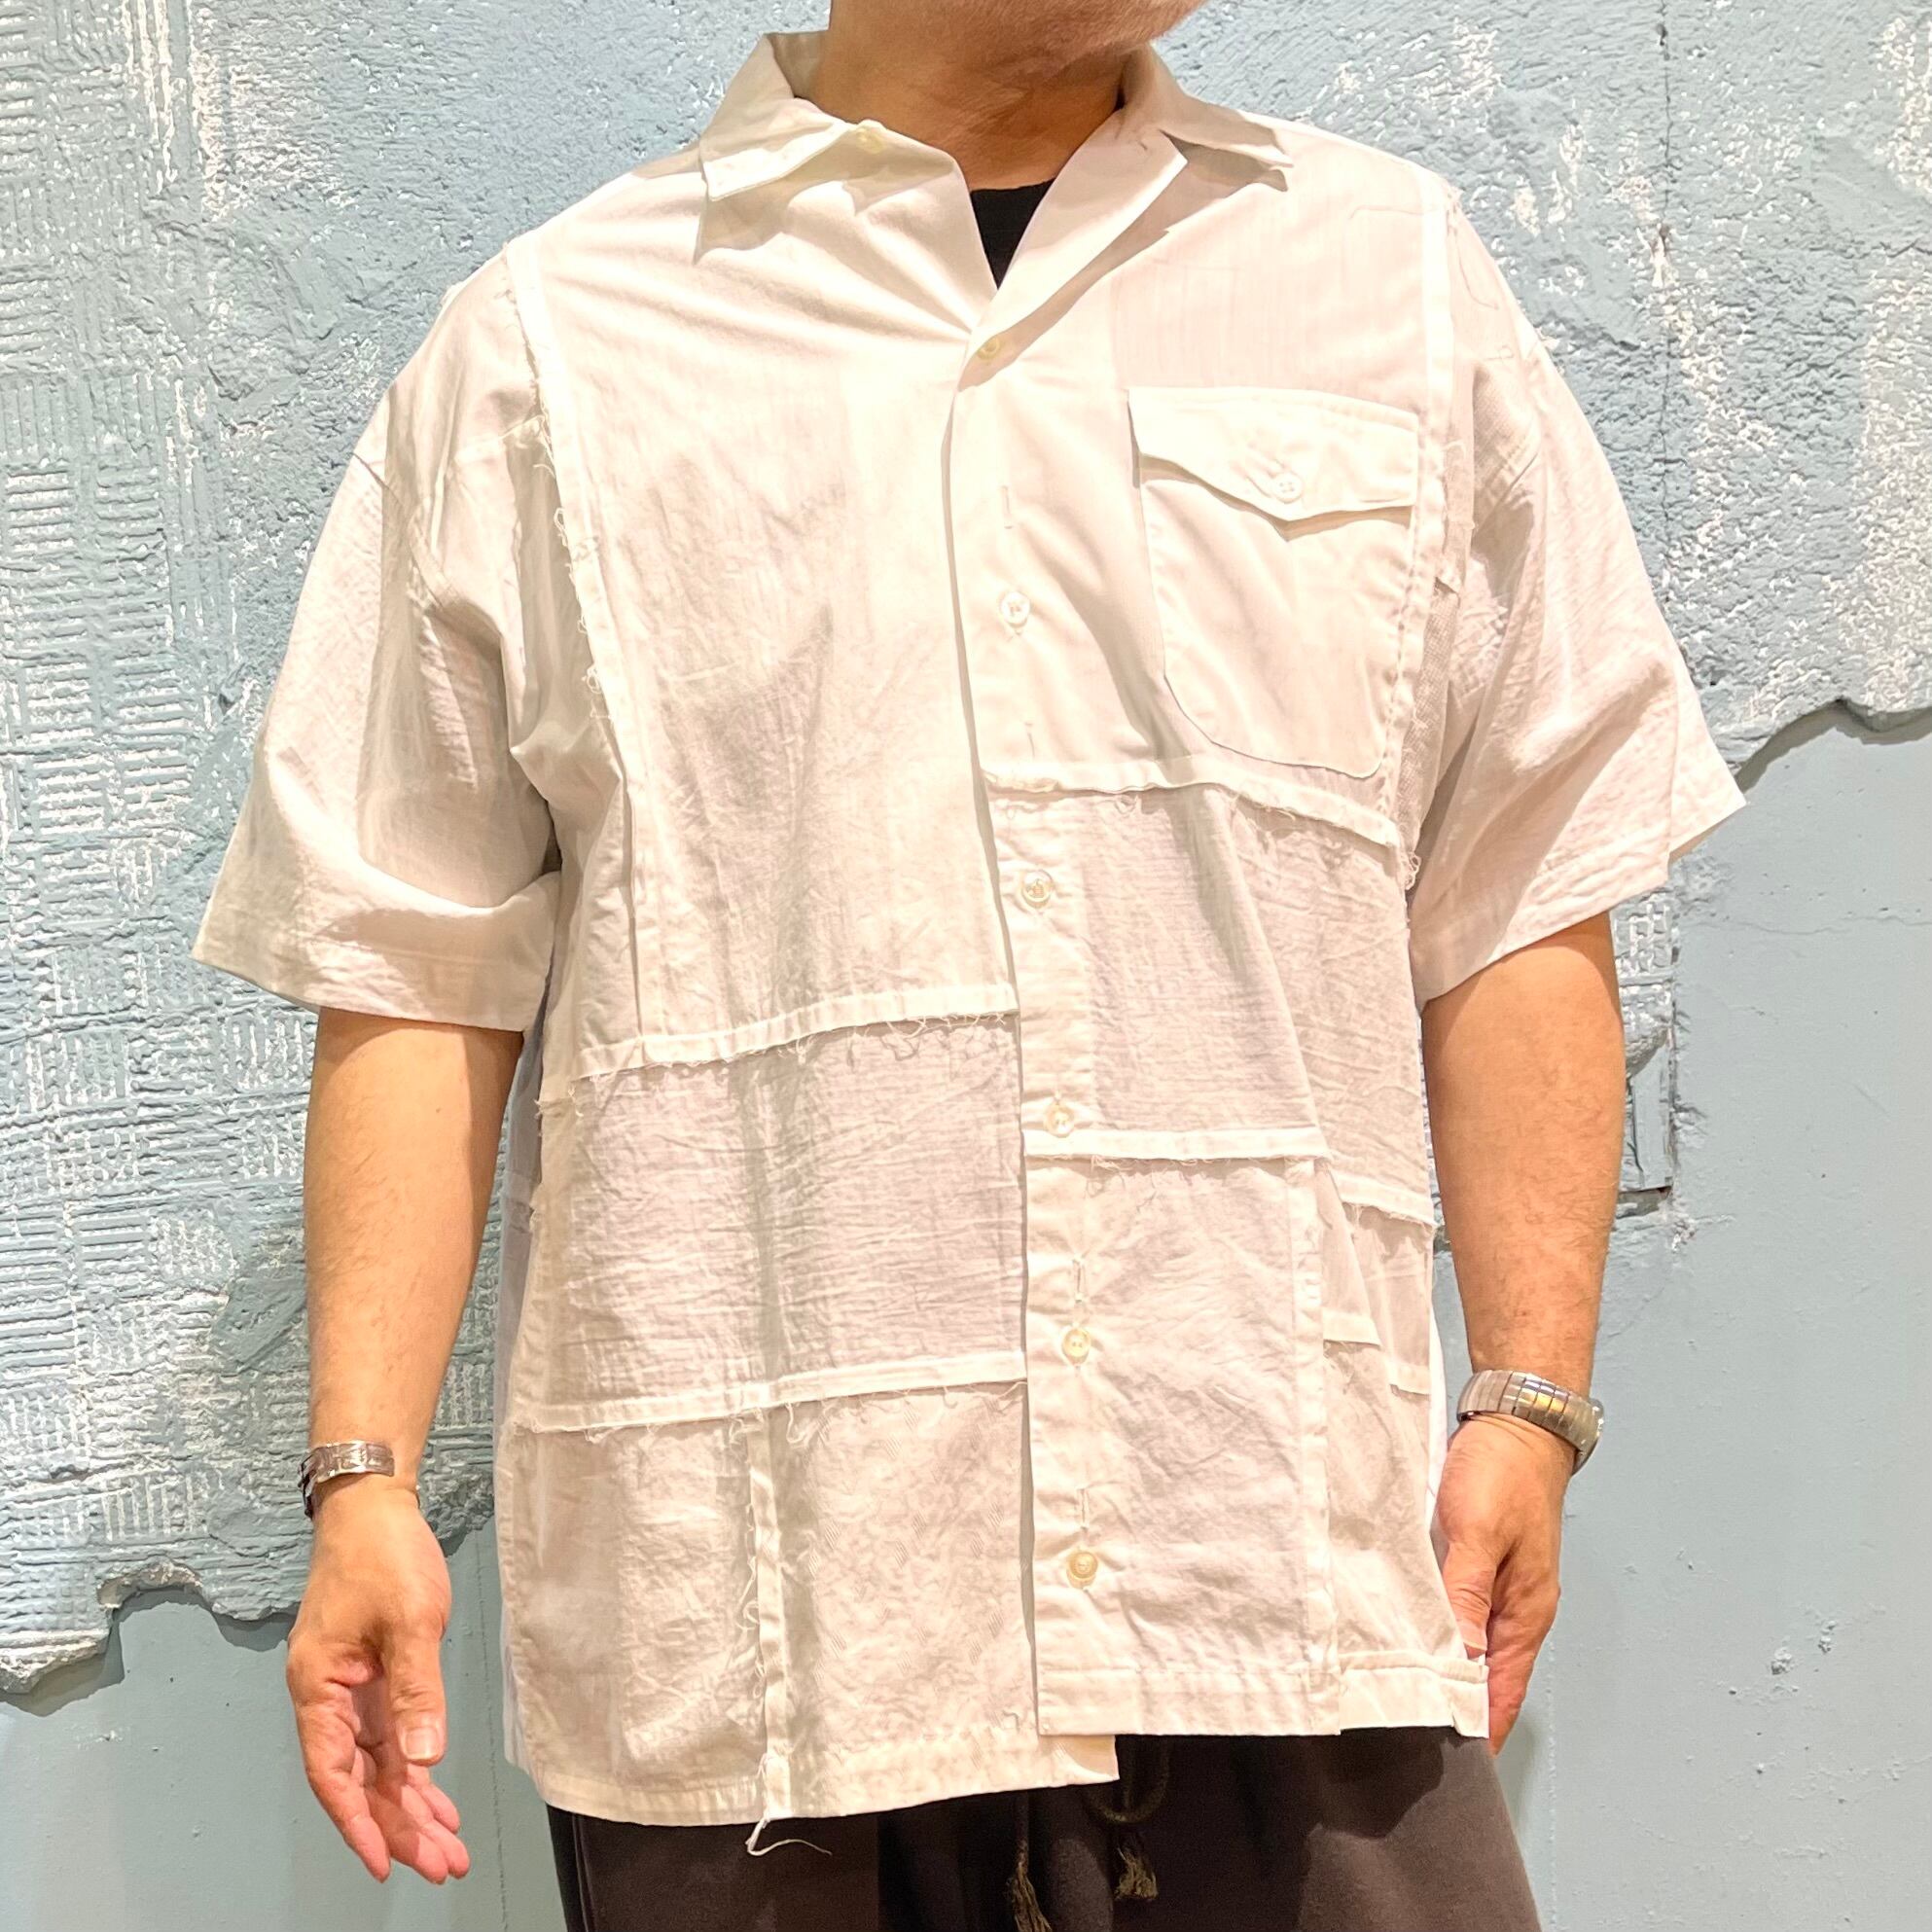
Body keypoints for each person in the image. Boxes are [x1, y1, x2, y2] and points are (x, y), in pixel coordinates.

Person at [189, 3, 1746, 1927]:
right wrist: (362, 1474)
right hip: (765, 1630)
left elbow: (1523, 871)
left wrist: (1530, 1399)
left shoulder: (1389, 287)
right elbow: (411, 958)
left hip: (1273, 1561)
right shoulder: (549, 352)